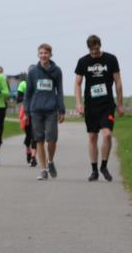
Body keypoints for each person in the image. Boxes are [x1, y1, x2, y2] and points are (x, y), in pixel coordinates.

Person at [74, 34, 124, 181]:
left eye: (96, 49)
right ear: (88, 48)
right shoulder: (83, 61)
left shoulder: (111, 59)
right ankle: (94, 170)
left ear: (100, 46)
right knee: (92, 136)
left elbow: (118, 82)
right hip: (91, 105)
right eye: (91, 50)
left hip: (107, 104)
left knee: (107, 134)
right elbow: (77, 83)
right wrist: (78, 103)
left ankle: (104, 166)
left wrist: (120, 104)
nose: (94, 53)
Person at [25, 44, 65, 180]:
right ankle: (43, 170)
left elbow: (59, 91)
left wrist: (62, 110)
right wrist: (26, 111)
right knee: (39, 140)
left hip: (51, 110)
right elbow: (27, 94)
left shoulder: (57, 71)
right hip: (36, 110)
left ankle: (50, 161)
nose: (43, 55)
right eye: (41, 53)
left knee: (52, 139)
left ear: (50, 55)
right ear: (38, 55)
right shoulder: (32, 72)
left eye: (46, 53)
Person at [15, 76, 37, 166]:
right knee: (28, 134)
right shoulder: (23, 84)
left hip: (37, 112)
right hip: (25, 112)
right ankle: (28, 149)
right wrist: (28, 97)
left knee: (35, 135)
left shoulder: (39, 84)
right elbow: (18, 99)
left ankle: (33, 157)